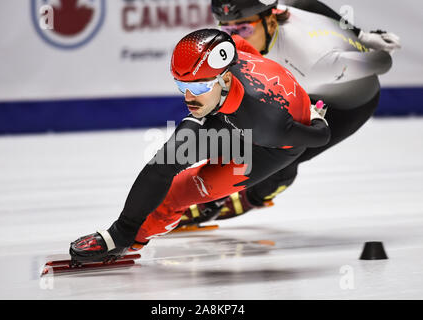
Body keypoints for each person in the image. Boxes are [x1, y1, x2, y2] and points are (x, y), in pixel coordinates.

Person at [69, 28, 330, 263]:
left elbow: (320, 137)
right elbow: (241, 44)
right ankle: (122, 235)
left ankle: (137, 237)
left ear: (225, 79)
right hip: (229, 113)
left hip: (268, 146)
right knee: (165, 163)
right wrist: (118, 231)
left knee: (179, 195)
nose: (188, 97)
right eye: (182, 86)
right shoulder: (229, 52)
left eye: (199, 86)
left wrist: (316, 118)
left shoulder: (270, 125)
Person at [177, 0, 399, 227]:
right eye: (227, 29)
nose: (235, 38)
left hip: (347, 105)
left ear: (271, 22)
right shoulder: (276, 10)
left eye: (243, 29)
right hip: (302, 87)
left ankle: (251, 196)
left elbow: (383, 62)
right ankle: (213, 193)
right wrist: (361, 34)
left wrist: (363, 47)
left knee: (277, 157)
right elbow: (308, 3)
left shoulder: (317, 62)